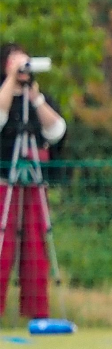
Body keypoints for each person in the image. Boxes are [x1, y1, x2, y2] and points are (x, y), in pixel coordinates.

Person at [0, 44, 67, 322]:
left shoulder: (40, 98)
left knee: (35, 249)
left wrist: (37, 99)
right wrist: (10, 84)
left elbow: (56, 131)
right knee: (3, 246)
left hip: (34, 183)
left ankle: (38, 312)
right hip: (4, 182)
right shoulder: (5, 97)